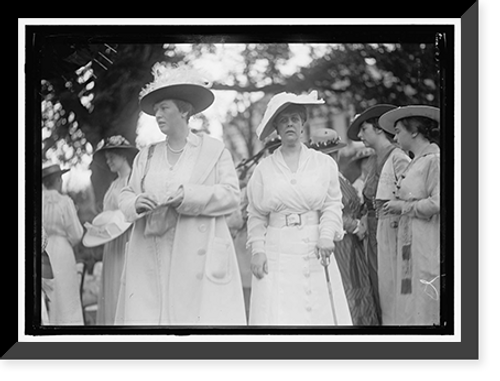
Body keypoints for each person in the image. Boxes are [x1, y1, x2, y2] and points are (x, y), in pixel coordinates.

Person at [116, 63, 246, 325]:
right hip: (153, 251)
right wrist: (135, 202)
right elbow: (126, 194)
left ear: (185, 110)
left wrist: (190, 196)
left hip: (196, 252)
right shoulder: (147, 155)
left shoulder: (213, 150)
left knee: (194, 321)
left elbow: (232, 195)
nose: (159, 115)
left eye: (165, 108)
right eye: (155, 110)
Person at [246, 91, 352, 325]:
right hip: (277, 247)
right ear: (277, 128)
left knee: (316, 311)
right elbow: (255, 213)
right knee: (279, 313)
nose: (290, 124)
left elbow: (332, 204)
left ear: (303, 123)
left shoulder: (322, 163)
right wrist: (257, 250)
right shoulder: (264, 169)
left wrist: (327, 236)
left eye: (294, 118)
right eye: (283, 120)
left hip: (314, 245)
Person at [347, 104, 411, 324]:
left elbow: (409, 196)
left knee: (392, 285)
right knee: (377, 285)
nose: (361, 135)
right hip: (373, 232)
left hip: (392, 229)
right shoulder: (374, 160)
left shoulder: (398, 157)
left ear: (379, 129)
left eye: (364, 129)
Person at [378, 105, 441, 325]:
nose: (395, 137)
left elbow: (437, 202)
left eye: (398, 131)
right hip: (408, 240)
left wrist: (402, 207)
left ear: (414, 131)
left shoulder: (434, 160)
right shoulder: (415, 161)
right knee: (408, 294)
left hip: (426, 240)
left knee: (423, 295)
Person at [310, 129, 380, 325]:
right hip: (339, 241)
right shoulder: (319, 177)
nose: (332, 157)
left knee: (358, 285)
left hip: (352, 244)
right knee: (346, 288)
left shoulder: (337, 175)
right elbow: (326, 213)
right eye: (327, 154)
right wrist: (356, 225)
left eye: (334, 152)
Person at [85, 135, 138, 325]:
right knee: (112, 285)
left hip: (129, 239)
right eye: (106, 159)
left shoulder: (133, 180)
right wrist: (98, 229)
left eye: (111, 158)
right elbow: (108, 214)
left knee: (127, 284)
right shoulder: (114, 184)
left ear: (122, 156)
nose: (108, 162)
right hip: (112, 242)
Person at [42, 164, 84, 325]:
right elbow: (76, 233)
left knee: (49, 291)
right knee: (66, 293)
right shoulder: (65, 202)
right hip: (62, 249)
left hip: (43, 248)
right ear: (58, 180)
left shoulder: (37, 200)